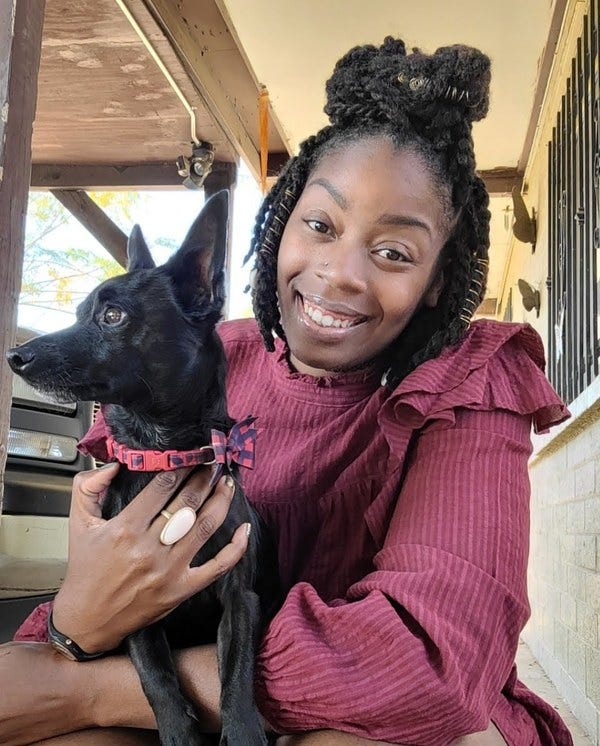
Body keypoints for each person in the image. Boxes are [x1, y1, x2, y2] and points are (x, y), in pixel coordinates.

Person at [0, 37, 573, 746]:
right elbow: (75, 621)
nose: (339, 274)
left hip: (387, 714)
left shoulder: (470, 384)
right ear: (281, 227)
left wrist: (86, 691)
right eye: (320, 224)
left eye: (394, 252)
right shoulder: (203, 362)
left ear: (436, 286)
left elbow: (428, 668)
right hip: (190, 678)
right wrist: (74, 625)